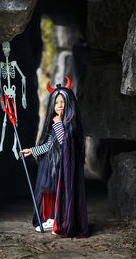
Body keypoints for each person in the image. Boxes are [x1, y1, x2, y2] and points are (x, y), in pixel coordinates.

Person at [20, 76, 89, 238]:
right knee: (48, 192)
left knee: (62, 192)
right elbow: (50, 144)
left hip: (64, 166)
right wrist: (32, 151)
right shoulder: (54, 121)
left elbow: (66, 142)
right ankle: (50, 218)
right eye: (57, 102)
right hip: (51, 164)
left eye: (63, 102)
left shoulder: (71, 122)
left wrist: (58, 123)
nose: (60, 106)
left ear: (69, 103)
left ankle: (61, 220)